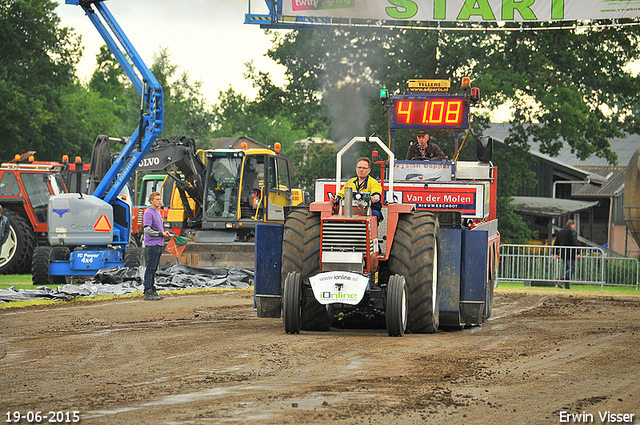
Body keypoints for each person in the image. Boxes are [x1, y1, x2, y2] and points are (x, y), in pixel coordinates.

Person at [330, 157, 383, 223]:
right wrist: (335, 199)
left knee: (375, 214)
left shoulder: (374, 183)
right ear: (356, 169)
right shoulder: (350, 182)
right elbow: (340, 195)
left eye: (364, 168)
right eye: (359, 167)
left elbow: (376, 194)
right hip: (350, 210)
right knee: (337, 217)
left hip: (369, 210)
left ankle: (368, 232)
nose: (361, 170)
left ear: (369, 170)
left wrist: (374, 198)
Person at [143, 192, 171, 301]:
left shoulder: (157, 212)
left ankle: (152, 289)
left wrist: (164, 233)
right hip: (152, 243)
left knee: (154, 268)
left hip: (158, 243)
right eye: (157, 199)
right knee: (150, 268)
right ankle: (148, 290)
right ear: (151, 201)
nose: (159, 201)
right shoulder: (149, 213)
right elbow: (147, 229)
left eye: (159, 199)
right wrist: (160, 234)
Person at [553, 219, 580, 289]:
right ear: (572, 225)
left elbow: (556, 243)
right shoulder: (572, 232)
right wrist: (578, 252)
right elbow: (574, 243)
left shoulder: (560, 232)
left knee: (567, 269)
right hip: (571, 253)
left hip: (563, 253)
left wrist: (555, 253)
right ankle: (560, 279)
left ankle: (567, 286)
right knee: (572, 269)